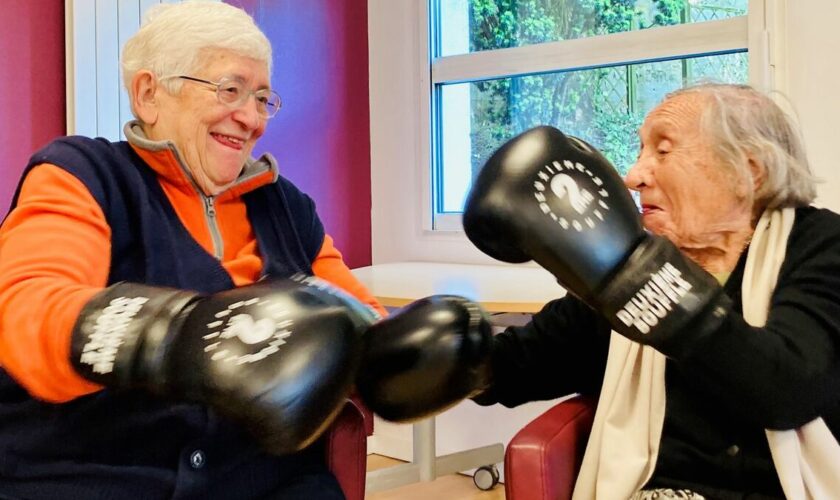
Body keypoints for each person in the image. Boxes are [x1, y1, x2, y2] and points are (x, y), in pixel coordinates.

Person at [357, 83, 840, 499]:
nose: (634, 175)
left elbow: (790, 387)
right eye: (640, 151)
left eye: (663, 150)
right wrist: (458, 361)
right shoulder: (630, 267)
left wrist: (647, 285)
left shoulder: (820, 247)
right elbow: (533, 358)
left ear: (747, 172)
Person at [0, 2, 391, 498]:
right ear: (149, 94)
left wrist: (400, 358)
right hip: (96, 477)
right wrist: (175, 337)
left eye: (263, 98)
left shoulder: (287, 208)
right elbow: (28, 311)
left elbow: (363, 321)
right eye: (230, 89)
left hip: (266, 481)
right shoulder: (82, 175)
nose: (251, 118)